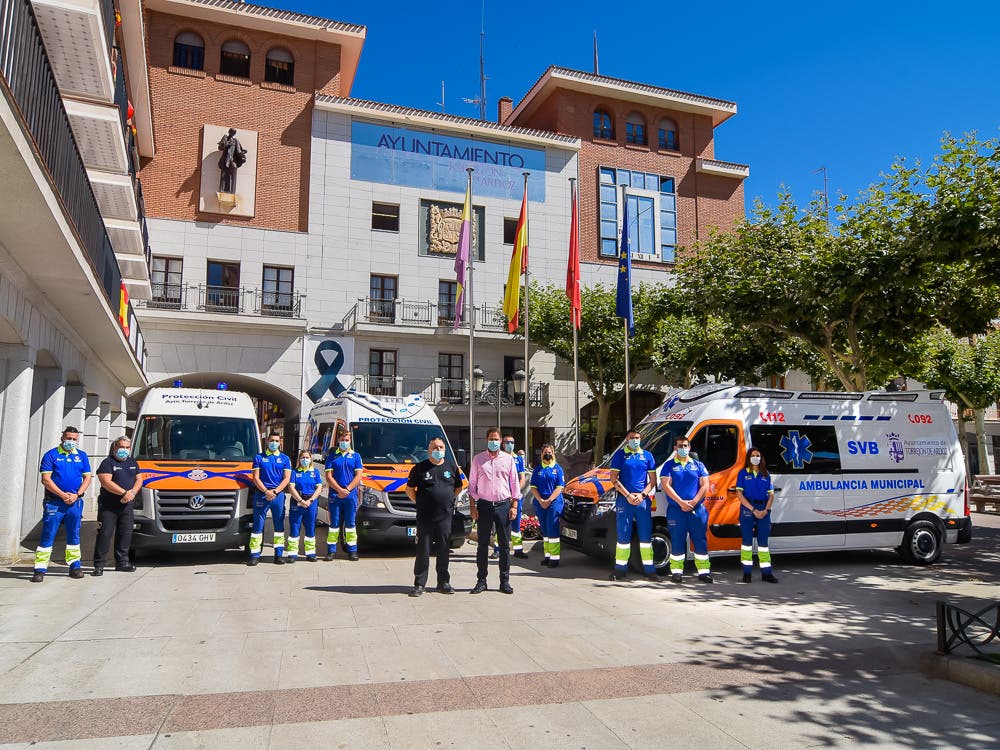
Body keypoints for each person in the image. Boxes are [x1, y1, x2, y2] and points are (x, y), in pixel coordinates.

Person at [405, 436, 463, 596]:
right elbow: (409, 489)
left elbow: (459, 487)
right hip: (425, 516)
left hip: (445, 516)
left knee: (444, 550)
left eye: (441, 447)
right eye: (435, 448)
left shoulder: (452, 466)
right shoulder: (420, 468)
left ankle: (443, 582)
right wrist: (421, 502)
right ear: (429, 450)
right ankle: (419, 583)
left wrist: (449, 499)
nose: (438, 450)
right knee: (423, 550)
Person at [33, 427, 92, 582]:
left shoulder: (82, 456)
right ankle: (40, 569)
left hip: (75, 502)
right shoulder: (51, 455)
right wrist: (62, 495)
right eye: (68, 438)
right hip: (54, 503)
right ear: (62, 438)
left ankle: (75, 566)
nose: (71, 441)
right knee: (48, 534)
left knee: (74, 534)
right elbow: (46, 479)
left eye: (74, 439)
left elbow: (87, 478)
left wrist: (77, 494)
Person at [468, 427, 519, 594]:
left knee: (504, 545)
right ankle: (481, 581)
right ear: (486, 440)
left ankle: (505, 581)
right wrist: (473, 506)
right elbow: (472, 485)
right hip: (484, 506)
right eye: (491, 439)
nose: (494, 442)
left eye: (497, 439)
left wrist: (514, 506)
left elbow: (514, 484)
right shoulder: (478, 459)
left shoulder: (508, 460)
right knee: (482, 545)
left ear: (501, 441)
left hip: (503, 506)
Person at [660, 435, 712, 583]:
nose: (683, 449)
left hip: (697, 510)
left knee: (700, 540)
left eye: (685, 446)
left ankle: (704, 572)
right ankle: (676, 572)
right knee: (677, 540)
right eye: (680, 446)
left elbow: (705, 484)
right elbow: (666, 485)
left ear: (689, 448)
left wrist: (694, 501)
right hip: (677, 510)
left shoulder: (698, 465)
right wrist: (681, 502)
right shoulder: (669, 465)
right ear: (675, 448)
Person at [608, 429, 657, 581]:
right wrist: (628, 495)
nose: (634, 440)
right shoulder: (619, 455)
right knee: (623, 535)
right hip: (625, 500)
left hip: (642, 501)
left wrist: (642, 495)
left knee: (645, 536)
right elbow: (613, 479)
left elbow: (653, 481)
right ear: (626, 439)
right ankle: (620, 569)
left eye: (637, 437)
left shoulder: (647, 456)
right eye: (631, 438)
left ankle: (650, 570)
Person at [92, 436, 143, 575]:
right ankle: (99, 565)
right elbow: (106, 481)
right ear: (115, 448)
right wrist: (124, 493)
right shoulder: (107, 463)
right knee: (104, 534)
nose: (124, 450)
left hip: (127, 506)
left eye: (127, 447)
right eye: (122, 447)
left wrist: (132, 493)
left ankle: (122, 562)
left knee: (125, 534)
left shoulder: (133, 462)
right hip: (109, 506)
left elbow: (139, 479)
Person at [736, 448, 778, 583]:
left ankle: (767, 573)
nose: (756, 458)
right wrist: (753, 510)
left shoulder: (766, 474)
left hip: (764, 509)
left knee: (763, 544)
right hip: (748, 509)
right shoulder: (743, 473)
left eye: (758, 455)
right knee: (747, 543)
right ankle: (747, 573)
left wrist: (766, 510)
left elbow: (771, 495)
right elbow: (739, 494)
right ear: (749, 458)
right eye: (753, 455)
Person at [249, 431, 291, 565]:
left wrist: (275, 491)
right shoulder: (259, 457)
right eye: (272, 440)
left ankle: (278, 555)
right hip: (261, 495)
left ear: (280, 442)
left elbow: (287, 479)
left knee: (279, 526)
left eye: (277, 441)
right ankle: (254, 555)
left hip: (278, 496)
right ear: (267, 441)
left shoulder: (285, 458)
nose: (274, 443)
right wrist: (266, 491)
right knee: (257, 526)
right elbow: (255, 477)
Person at [324, 428, 363, 561]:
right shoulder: (332, 456)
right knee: (334, 524)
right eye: (342, 440)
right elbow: (328, 476)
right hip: (335, 495)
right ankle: (331, 551)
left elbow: (358, 476)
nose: (344, 442)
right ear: (338, 440)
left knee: (350, 524)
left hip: (350, 495)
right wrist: (339, 490)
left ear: (350, 440)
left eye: (346, 440)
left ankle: (352, 551)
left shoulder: (356, 456)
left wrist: (347, 489)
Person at [494, 435, 529, 559]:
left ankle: (518, 550)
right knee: (501, 524)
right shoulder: (498, 458)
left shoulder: (518, 459)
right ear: (503, 444)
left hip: (515, 497)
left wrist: (515, 492)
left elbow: (522, 478)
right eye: (507, 442)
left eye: (512, 442)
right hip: (503, 497)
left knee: (516, 524)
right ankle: (497, 549)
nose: (510, 444)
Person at [530, 444, 565, 568]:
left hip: (554, 502)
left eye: (550, 452)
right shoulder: (538, 469)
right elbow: (533, 487)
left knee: (552, 528)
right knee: (544, 529)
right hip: (540, 502)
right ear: (541, 454)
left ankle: (554, 559)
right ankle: (547, 555)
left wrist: (549, 500)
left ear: (553, 453)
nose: (548, 454)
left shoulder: (558, 469)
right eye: (545, 452)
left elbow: (560, 487)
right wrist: (540, 500)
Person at [287, 450, 323, 562]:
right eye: (303, 457)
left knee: (310, 527)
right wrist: (300, 500)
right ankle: (292, 554)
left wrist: (311, 500)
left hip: (311, 502)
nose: (305, 460)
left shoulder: (315, 472)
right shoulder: (294, 472)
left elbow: (319, 488)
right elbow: (291, 488)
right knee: (294, 527)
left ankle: (310, 553)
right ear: (299, 459)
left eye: (307, 457)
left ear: (311, 459)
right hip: (297, 502)